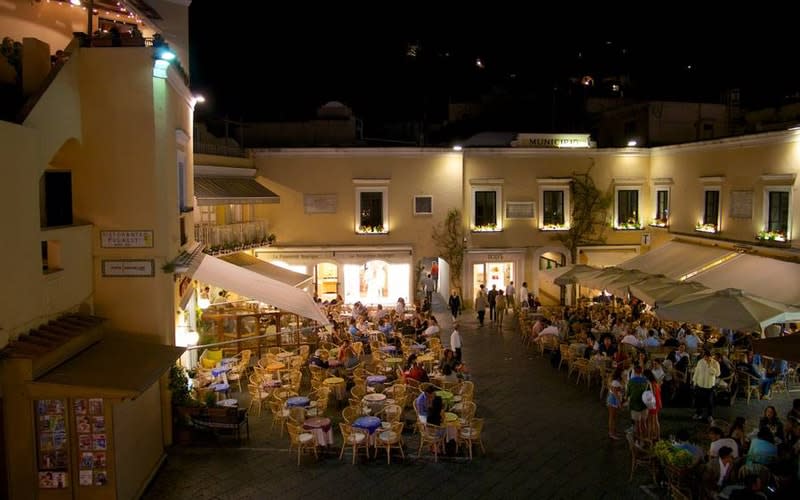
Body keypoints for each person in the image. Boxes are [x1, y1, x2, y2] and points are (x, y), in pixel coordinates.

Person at [692, 349, 720, 423]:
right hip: (700, 384)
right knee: (699, 400)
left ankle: (710, 415)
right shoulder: (700, 362)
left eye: (708, 357)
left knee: (709, 401)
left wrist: (710, 366)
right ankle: (698, 413)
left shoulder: (715, 363)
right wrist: (694, 382)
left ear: (711, 356)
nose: (706, 358)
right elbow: (697, 372)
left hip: (709, 385)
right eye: (705, 356)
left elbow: (717, 374)